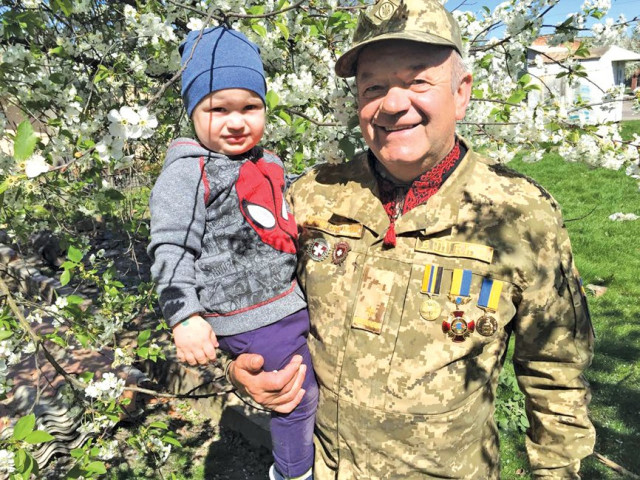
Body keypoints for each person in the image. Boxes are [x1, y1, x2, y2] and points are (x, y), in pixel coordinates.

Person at [227, 0, 596, 478]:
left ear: (461, 93)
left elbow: (556, 371)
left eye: (418, 81)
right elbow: (248, 294)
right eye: (374, 87)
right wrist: (242, 369)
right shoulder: (313, 196)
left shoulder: (519, 216)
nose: (393, 104)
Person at [147, 26, 317, 480]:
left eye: (250, 107)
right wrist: (184, 317)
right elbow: (171, 245)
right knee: (296, 397)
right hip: (247, 315)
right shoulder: (188, 173)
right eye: (217, 109)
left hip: (286, 303)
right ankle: (293, 473)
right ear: (192, 112)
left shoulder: (268, 161)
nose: (236, 122)